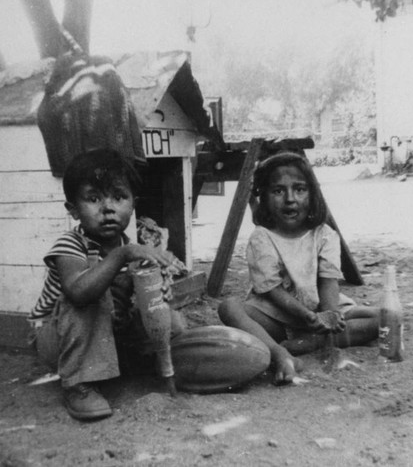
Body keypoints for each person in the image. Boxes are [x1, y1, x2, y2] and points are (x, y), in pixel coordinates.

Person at [28, 148, 184, 421]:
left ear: (133, 203)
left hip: (108, 332)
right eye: (94, 199)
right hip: (58, 339)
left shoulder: (133, 249)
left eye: (119, 196)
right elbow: (77, 293)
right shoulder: (70, 244)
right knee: (89, 296)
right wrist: (121, 255)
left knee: (174, 321)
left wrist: (157, 295)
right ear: (74, 210)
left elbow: (148, 300)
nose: (108, 208)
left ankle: (133, 365)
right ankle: (78, 384)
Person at [218, 152, 378, 385]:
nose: (290, 199)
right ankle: (280, 353)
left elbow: (327, 280)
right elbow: (272, 290)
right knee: (229, 307)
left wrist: (330, 315)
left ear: (313, 195)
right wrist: (306, 316)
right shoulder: (262, 238)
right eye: (278, 191)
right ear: (263, 197)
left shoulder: (324, 235)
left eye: (300, 189)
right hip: (278, 316)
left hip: (320, 307)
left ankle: (315, 341)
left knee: (387, 317)